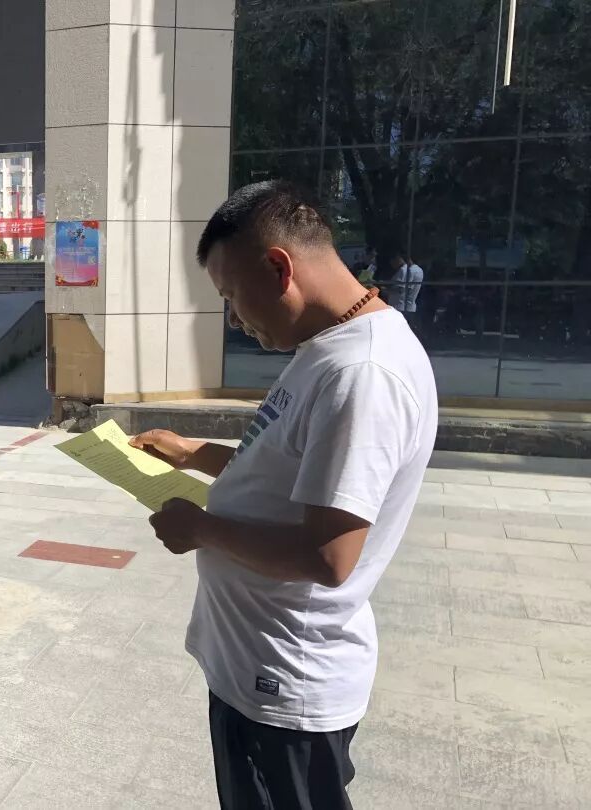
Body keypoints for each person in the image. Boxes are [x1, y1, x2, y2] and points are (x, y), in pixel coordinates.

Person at [130, 181, 438, 810]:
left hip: (285, 686)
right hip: (256, 669)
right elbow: (292, 475)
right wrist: (194, 453)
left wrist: (200, 529)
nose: (232, 318)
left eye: (229, 295)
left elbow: (328, 557)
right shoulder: (328, 349)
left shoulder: (362, 375)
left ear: (278, 268)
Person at [387, 252, 425, 329]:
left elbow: (401, 289)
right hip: (410, 307)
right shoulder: (419, 270)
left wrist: (384, 290)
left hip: (400, 307)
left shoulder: (408, 271)